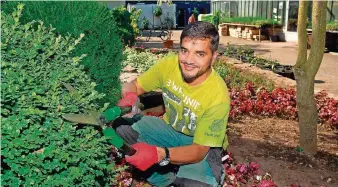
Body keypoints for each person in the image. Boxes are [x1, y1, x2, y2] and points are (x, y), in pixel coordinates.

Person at [116, 21, 230, 187]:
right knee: (122, 127)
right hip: (169, 131)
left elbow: (198, 151)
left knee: (196, 185)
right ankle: (162, 179)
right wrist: (129, 95)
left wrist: (159, 154)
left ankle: (188, 172)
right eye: (184, 51)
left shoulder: (218, 95)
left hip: (199, 146)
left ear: (213, 57)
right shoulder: (169, 65)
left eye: (199, 54)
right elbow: (136, 85)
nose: (188, 61)